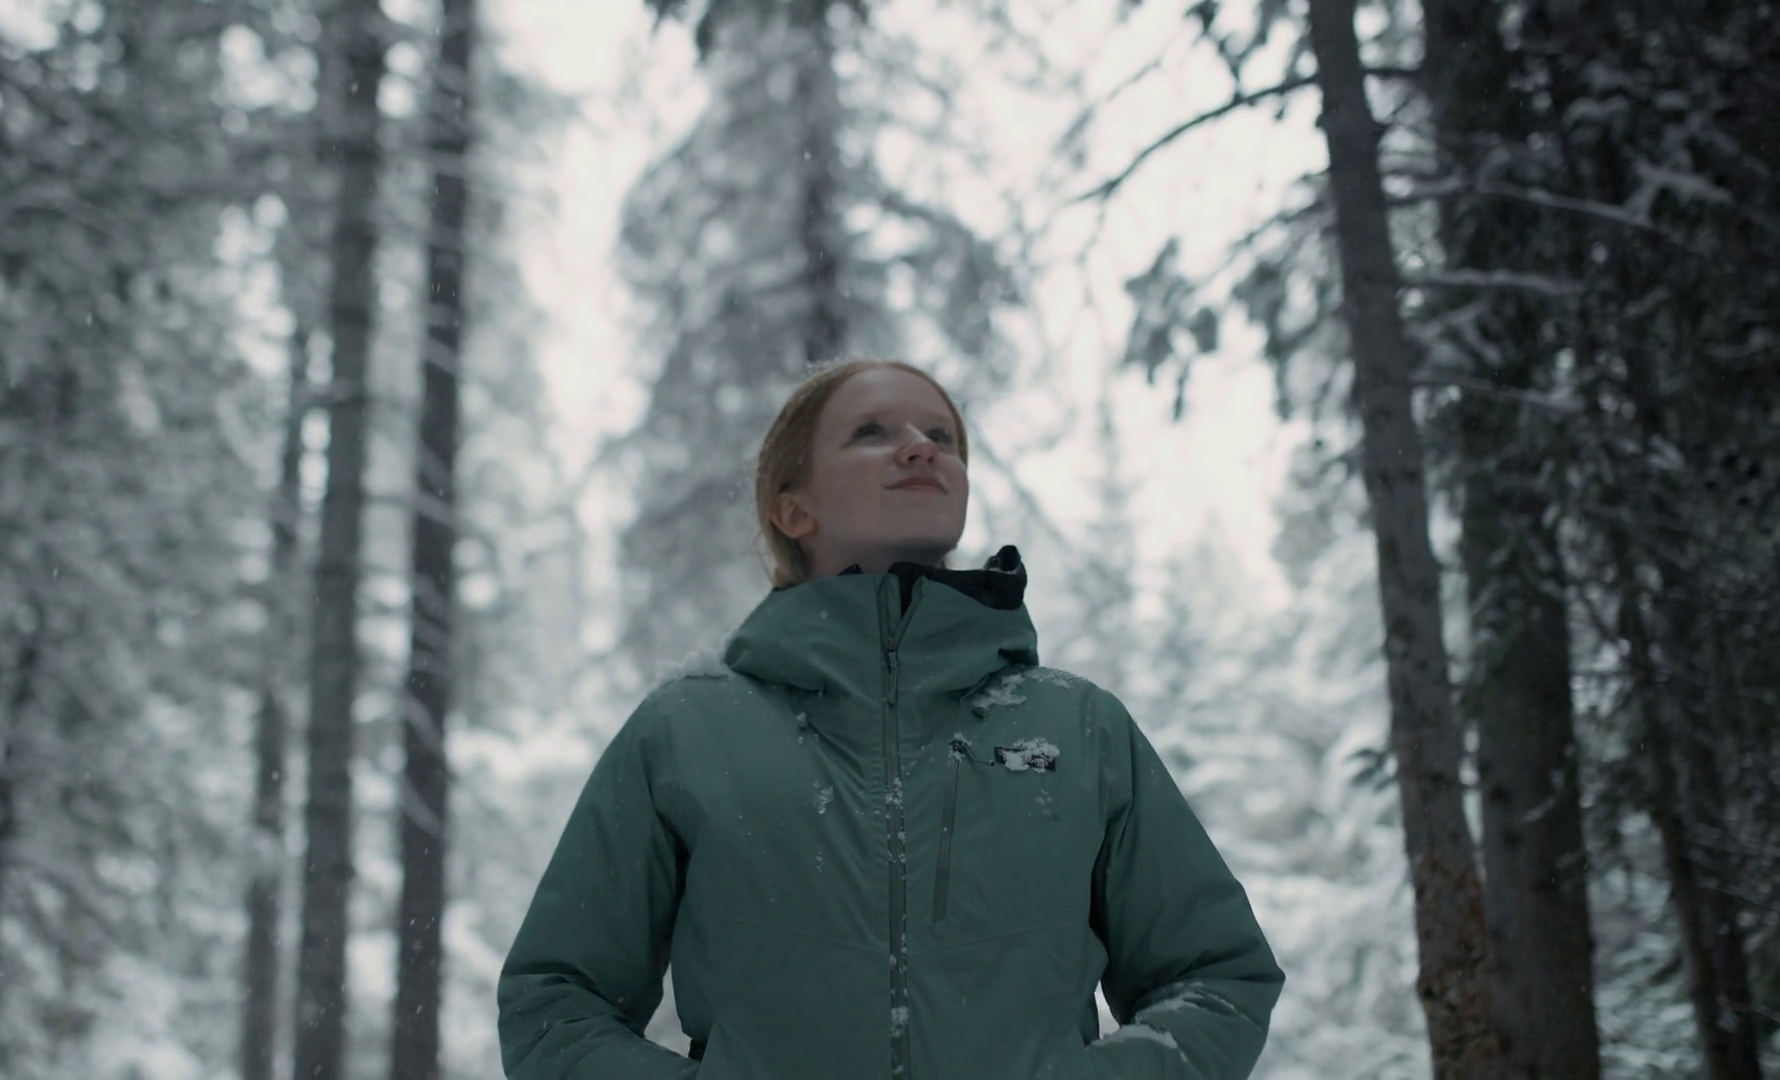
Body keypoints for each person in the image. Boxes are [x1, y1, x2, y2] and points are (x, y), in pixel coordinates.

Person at [497, 359, 1284, 1079]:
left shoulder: (1078, 726)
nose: (920, 449)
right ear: (792, 509)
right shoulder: (687, 731)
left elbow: (1217, 977)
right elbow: (555, 1004)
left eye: (942, 436)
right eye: (872, 432)